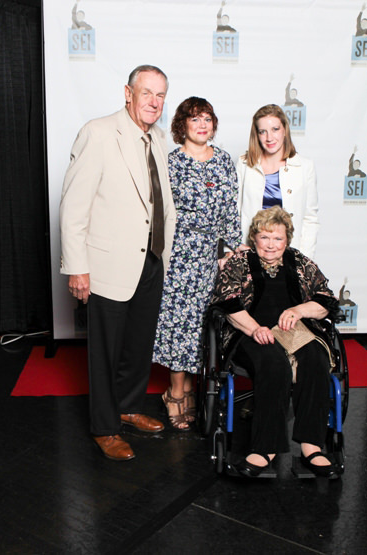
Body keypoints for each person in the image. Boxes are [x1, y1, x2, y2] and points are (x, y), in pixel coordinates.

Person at [60, 65, 176, 461]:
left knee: (138, 344)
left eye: (161, 95)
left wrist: (165, 252)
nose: (154, 102)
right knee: (106, 349)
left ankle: (128, 407)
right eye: (147, 93)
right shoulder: (98, 132)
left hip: (151, 258)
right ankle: (105, 427)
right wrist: (77, 266)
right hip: (107, 262)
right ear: (128, 93)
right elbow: (74, 206)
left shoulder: (158, 137)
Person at [212, 206, 341, 479]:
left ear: (287, 240)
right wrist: (255, 328)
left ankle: (312, 445)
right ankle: (266, 448)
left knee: (316, 359)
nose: (271, 245)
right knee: (273, 363)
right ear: (255, 238)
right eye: (265, 237)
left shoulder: (300, 262)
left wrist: (299, 311)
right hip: (251, 330)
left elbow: (326, 300)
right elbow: (228, 303)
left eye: (278, 238)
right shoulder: (239, 263)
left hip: (294, 329)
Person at [153, 96, 242, 430]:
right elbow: (159, 211)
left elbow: (230, 210)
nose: (203, 124)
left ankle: (190, 386)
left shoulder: (222, 161)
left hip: (209, 255)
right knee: (178, 323)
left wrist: (233, 249)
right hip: (178, 253)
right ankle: (175, 392)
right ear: (183, 126)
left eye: (207, 118)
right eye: (195, 119)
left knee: (201, 324)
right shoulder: (172, 162)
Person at [237, 104, 319, 260]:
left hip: (290, 254)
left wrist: (304, 258)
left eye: (275, 129)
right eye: (263, 132)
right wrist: (234, 248)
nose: (269, 138)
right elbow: (233, 211)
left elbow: (310, 218)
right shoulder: (244, 164)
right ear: (257, 134)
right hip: (251, 252)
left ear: (285, 131)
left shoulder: (305, 167)